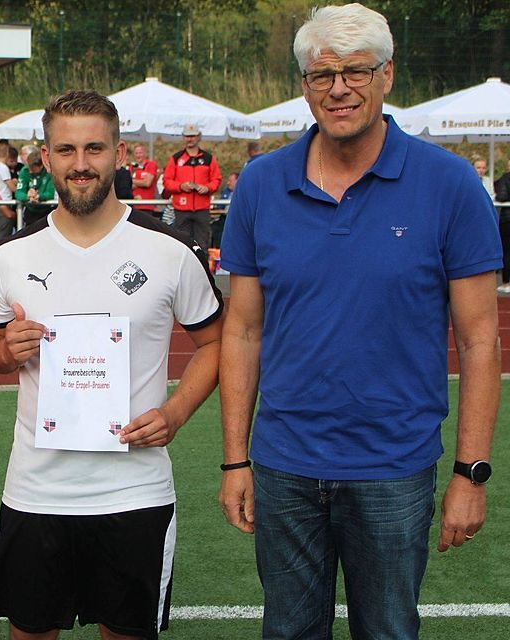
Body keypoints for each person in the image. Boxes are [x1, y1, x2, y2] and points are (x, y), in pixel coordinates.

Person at [218, 5, 502, 639]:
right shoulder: (262, 184)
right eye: (322, 75)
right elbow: (242, 331)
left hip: (394, 468)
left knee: (388, 632)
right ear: (304, 85)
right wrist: (235, 461)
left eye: (355, 71)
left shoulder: (450, 184)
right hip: (284, 464)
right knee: (288, 633)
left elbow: (481, 340)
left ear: (387, 75)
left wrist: (470, 473)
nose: (338, 88)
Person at [0, 90, 223, 640]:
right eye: (66, 149)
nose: (80, 164)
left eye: (94, 148)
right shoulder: (13, 255)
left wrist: (176, 412)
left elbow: (218, 343)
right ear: (46, 156)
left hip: (134, 490)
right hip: (37, 489)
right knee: (31, 632)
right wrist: (5, 349)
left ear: (118, 153)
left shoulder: (168, 248)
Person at [162, 123, 222, 251]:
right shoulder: (176, 159)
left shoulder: (208, 158)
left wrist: (208, 188)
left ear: (199, 137)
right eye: (187, 136)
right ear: (183, 137)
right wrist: (180, 186)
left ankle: (203, 271)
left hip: (202, 209)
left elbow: (216, 179)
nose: (190, 139)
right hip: (181, 210)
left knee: (203, 245)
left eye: (193, 136)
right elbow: (166, 181)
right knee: (182, 246)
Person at [13, 149, 55, 227]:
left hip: (47, 211)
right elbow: (18, 192)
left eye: (33, 168)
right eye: (29, 167)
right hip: (30, 211)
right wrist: (27, 196)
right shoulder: (24, 171)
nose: (30, 171)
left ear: (41, 165)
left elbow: (51, 193)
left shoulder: (49, 172)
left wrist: (39, 196)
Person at [129, 143, 159, 216]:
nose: (138, 155)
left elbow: (147, 183)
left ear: (145, 153)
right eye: (136, 153)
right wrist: (140, 182)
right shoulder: (132, 167)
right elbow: (128, 186)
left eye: (140, 153)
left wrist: (132, 181)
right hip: (133, 204)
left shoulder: (151, 165)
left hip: (146, 205)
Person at [496, 168, 510, 294]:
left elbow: (501, 196)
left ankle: (506, 283)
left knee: (506, 252)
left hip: (507, 219)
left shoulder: (505, 177)